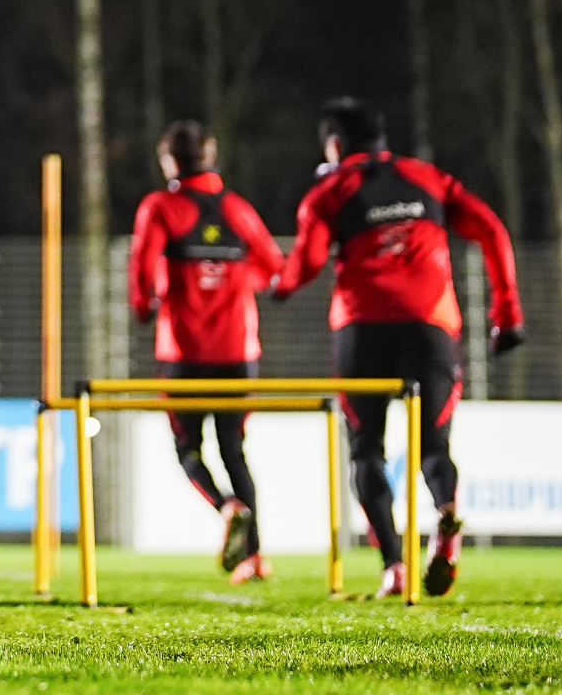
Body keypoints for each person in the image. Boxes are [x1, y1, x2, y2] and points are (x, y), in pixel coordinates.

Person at [274, 98, 524, 599]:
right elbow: (492, 230)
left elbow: (305, 264)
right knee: (434, 445)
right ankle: (448, 517)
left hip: (363, 326)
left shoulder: (330, 191)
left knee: (366, 451)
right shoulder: (428, 178)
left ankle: (395, 566)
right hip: (431, 322)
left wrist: (278, 285)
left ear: (335, 145)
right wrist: (507, 315)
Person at [128, 119, 284, 584]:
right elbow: (274, 267)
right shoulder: (237, 209)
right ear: (211, 156)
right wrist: (237, 283)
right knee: (234, 450)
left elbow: (142, 267)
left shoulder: (161, 207)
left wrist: (143, 306)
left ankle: (225, 506)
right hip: (238, 350)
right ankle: (255, 558)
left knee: (187, 449)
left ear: (169, 161)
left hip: (184, 353)